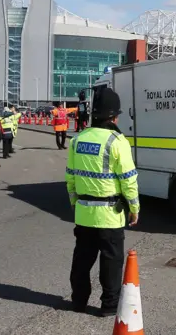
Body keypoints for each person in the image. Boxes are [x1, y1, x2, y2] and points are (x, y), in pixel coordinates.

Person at [65, 88, 140, 317]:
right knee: (111, 262)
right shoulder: (117, 142)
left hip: (84, 214)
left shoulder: (77, 140)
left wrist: (75, 204)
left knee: (82, 260)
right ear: (114, 117)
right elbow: (128, 180)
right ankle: (108, 306)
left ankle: (78, 301)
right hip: (110, 214)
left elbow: (70, 178)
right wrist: (134, 209)